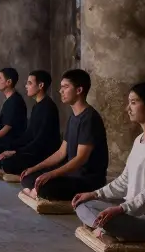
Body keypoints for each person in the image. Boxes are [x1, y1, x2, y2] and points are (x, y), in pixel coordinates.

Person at [72, 82, 145, 242]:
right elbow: (124, 180)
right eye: (129, 102)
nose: (128, 108)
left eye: (134, 102)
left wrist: (120, 209)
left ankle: (105, 231)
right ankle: (106, 230)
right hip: (133, 216)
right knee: (83, 204)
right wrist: (94, 194)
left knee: (107, 218)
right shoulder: (139, 140)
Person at [19, 69, 109, 201]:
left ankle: (35, 192)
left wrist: (51, 174)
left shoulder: (89, 118)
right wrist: (34, 168)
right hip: (72, 175)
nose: (61, 91)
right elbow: (61, 152)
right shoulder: (73, 117)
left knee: (44, 186)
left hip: (87, 181)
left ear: (79, 90)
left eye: (65, 87)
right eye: (61, 87)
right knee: (28, 177)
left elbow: (81, 159)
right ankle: (34, 191)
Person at [0, 70, 61, 177]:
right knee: (0, 149)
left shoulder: (48, 107)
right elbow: (29, 134)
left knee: (9, 163)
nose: (26, 86)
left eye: (29, 83)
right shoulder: (36, 106)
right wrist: (12, 147)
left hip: (43, 153)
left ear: (41, 85)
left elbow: (41, 140)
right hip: (33, 148)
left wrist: (16, 152)